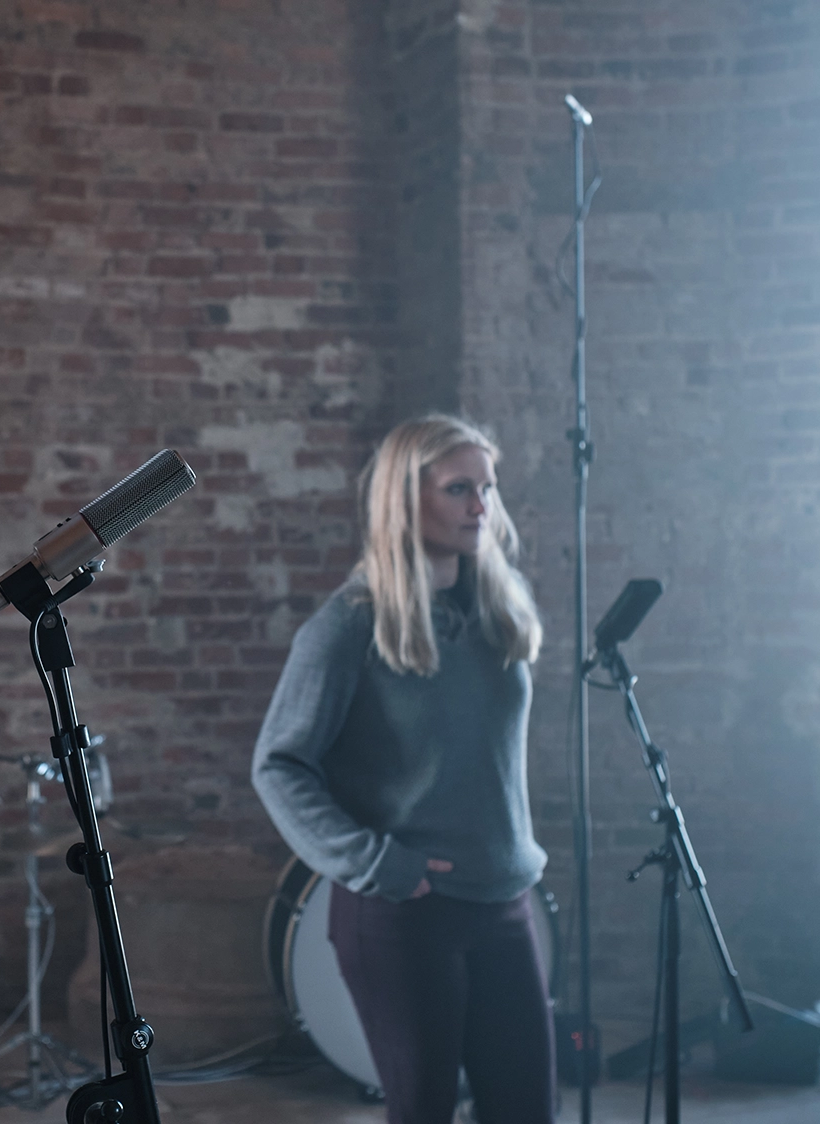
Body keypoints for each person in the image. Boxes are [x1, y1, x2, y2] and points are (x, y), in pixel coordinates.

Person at [251, 414, 554, 1124]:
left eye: (488, 487)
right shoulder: (350, 623)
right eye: (460, 489)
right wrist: (376, 863)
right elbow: (279, 765)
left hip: (504, 898)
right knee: (423, 1113)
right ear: (403, 499)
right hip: (405, 911)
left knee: (527, 1112)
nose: (483, 506)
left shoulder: (498, 610)